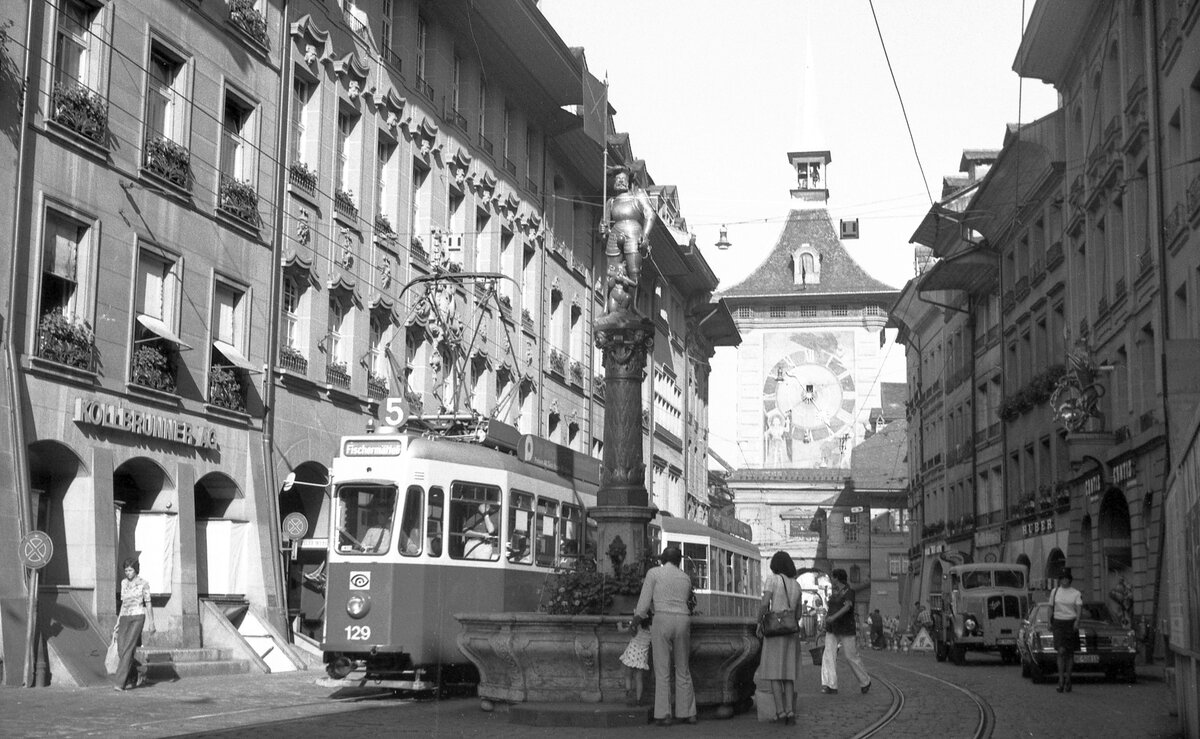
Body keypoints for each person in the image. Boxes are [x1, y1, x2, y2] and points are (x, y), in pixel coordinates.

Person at [634, 546, 697, 726]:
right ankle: (688, 713)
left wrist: (636, 620)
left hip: (662, 618)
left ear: (662, 559)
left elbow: (644, 603)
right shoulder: (685, 577)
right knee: (683, 667)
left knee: (662, 669)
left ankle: (664, 714)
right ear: (679, 560)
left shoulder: (654, 573)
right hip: (683, 619)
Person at [599, 166, 655, 312]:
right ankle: (606, 307)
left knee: (633, 271)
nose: (620, 182)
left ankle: (634, 306)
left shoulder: (638, 195)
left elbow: (650, 214)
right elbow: (603, 223)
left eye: (623, 179)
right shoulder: (611, 201)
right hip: (616, 232)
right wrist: (603, 230)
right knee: (610, 271)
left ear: (628, 181)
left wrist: (645, 235)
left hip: (633, 231)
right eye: (617, 179)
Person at [756, 551, 803, 725]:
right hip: (791, 633)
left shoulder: (773, 579)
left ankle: (780, 712)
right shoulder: (797, 585)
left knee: (775, 673)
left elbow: (764, 603)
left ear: (775, 565)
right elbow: (798, 614)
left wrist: (759, 621)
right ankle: (790, 711)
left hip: (775, 631)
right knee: (788, 674)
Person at [820, 568, 871, 695]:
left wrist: (833, 617)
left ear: (838, 578)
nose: (831, 579)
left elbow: (847, 607)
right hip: (832, 627)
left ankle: (865, 681)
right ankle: (830, 684)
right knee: (828, 655)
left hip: (846, 627)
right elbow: (832, 608)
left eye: (833, 577)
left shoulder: (849, 591)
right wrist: (827, 619)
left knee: (850, 656)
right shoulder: (835, 592)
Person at [114, 557, 155, 691]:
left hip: (138, 617)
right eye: (126, 570)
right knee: (121, 649)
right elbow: (123, 604)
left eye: (130, 570)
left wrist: (151, 623)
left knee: (128, 648)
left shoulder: (144, 583)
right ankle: (137, 672)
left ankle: (120, 683)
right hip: (124, 617)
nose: (128, 573)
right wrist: (117, 623)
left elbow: (148, 603)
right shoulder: (123, 583)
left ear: (136, 570)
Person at [1049, 569, 1083, 693]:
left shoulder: (1076, 593)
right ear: (1060, 579)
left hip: (1070, 623)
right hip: (1058, 623)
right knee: (1061, 651)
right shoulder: (1055, 591)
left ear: (1070, 579)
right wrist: (1049, 621)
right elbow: (1051, 607)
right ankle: (1061, 680)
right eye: (1062, 578)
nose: (1064, 580)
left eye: (1066, 578)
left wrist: (1077, 621)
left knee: (1069, 653)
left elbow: (1079, 608)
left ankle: (1068, 679)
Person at [620, 614, 653, 707]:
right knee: (639, 679)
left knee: (628, 675)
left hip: (631, 654)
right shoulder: (652, 630)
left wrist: (619, 624)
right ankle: (639, 700)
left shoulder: (637, 627)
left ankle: (628, 691)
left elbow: (622, 630)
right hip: (642, 657)